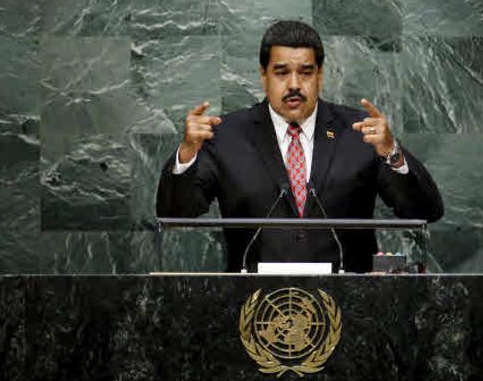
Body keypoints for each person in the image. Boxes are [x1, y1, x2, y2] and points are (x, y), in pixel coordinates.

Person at [156, 20, 443, 273]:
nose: (294, 84)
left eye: (305, 73)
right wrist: (187, 153)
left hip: (351, 306)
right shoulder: (227, 135)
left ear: (320, 75)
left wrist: (391, 152)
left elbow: (426, 211)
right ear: (263, 75)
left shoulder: (360, 132)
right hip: (253, 306)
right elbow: (175, 214)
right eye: (281, 72)